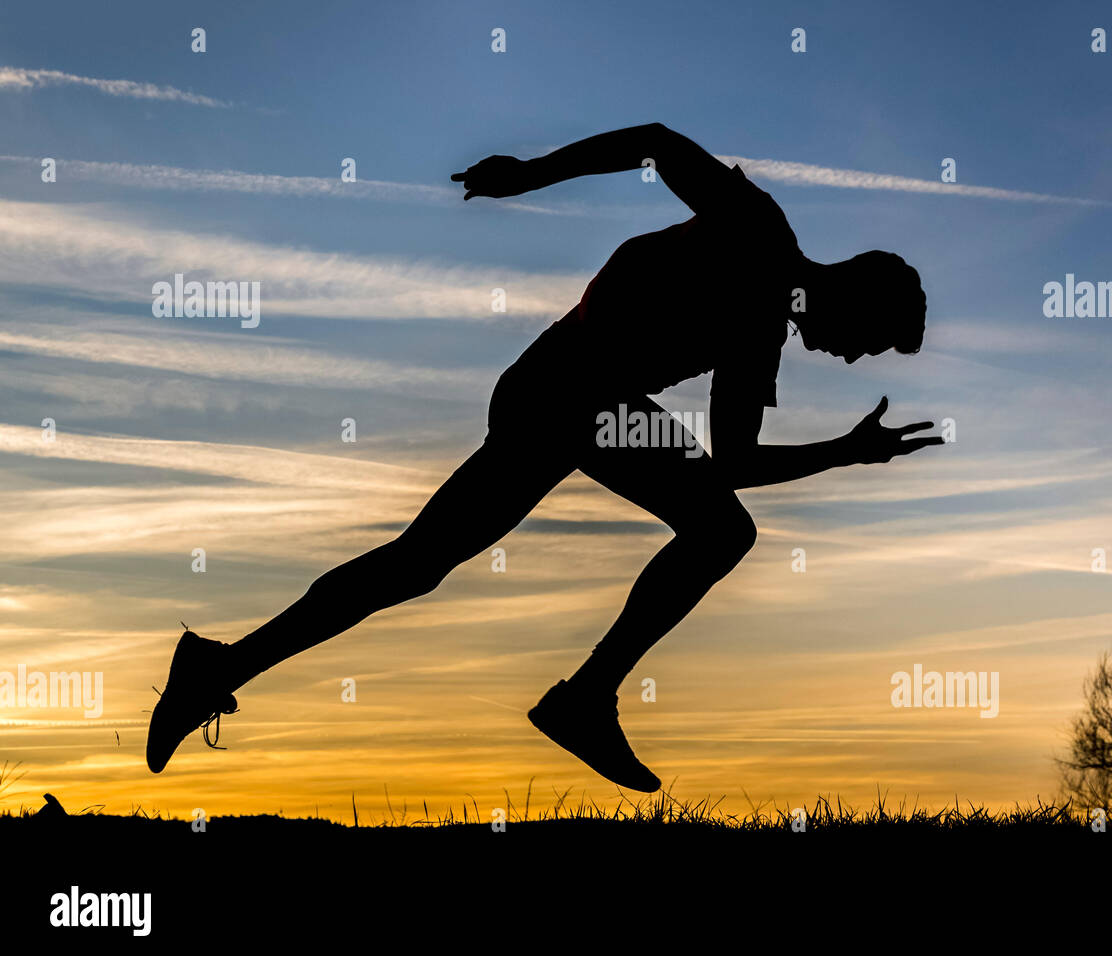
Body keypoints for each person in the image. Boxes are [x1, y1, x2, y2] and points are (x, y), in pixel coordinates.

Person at [147, 123, 941, 791]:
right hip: (565, 388)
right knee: (714, 533)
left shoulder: (761, 333)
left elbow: (727, 463)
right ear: (858, 293)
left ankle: (218, 670)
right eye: (868, 342)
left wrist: (839, 453)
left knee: (418, 564)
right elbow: (655, 142)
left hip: (575, 400)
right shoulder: (758, 228)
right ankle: (585, 699)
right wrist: (532, 173)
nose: (851, 360)